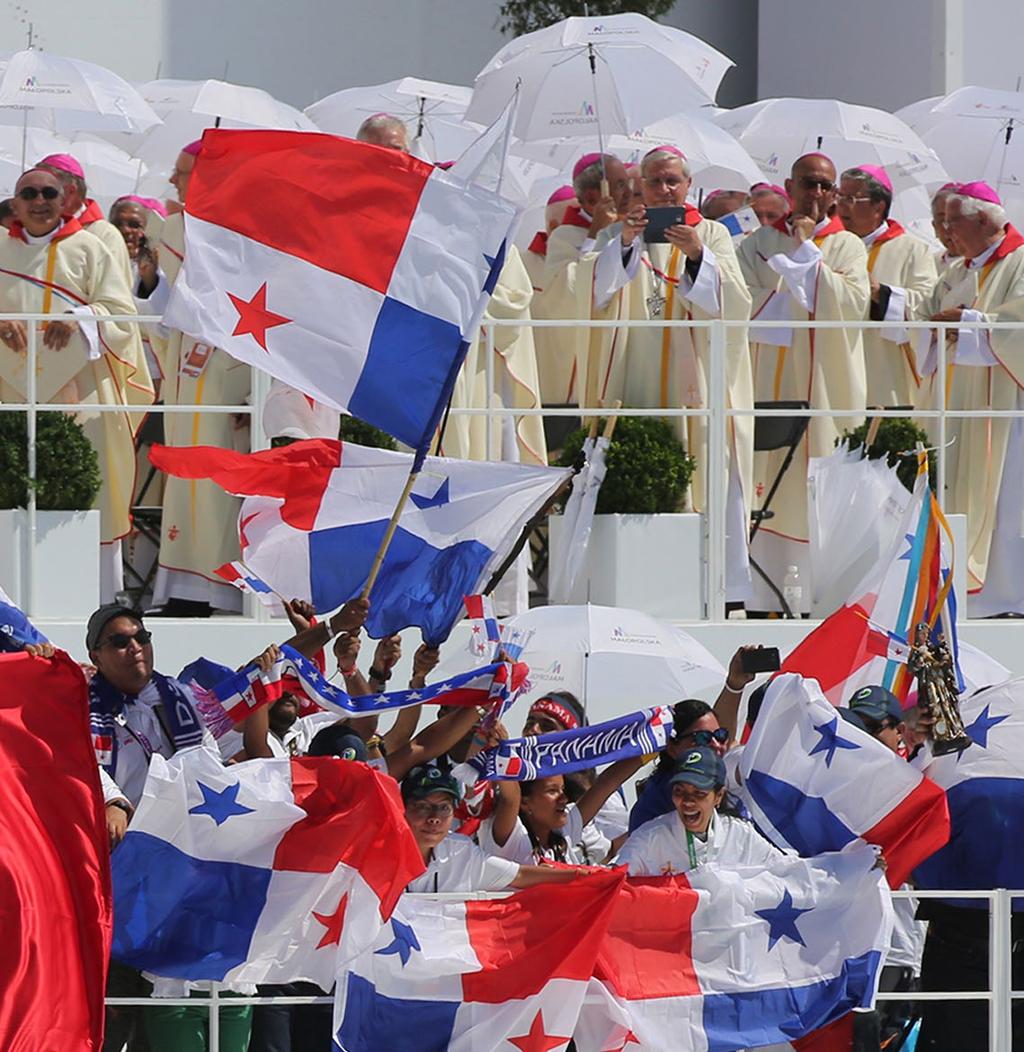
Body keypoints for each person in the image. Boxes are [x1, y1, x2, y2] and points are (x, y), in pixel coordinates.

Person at [594, 144, 755, 605]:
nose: (664, 190)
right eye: (654, 181)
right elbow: (600, 292)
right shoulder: (627, 232)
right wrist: (624, 244)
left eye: (672, 181)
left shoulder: (712, 234)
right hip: (640, 370)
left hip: (699, 378)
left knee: (706, 467)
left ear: (689, 186)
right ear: (639, 186)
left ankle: (712, 588)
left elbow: (735, 303)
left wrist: (698, 256)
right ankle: (646, 580)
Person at [0, 168, 155, 601]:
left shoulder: (90, 247)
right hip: (10, 389)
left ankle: (96, 598)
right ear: (15, 204)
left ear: (65, 199)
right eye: (28, 193)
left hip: (80, 389)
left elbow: (121, 312)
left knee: (92, 487)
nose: (39, 200)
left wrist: (81, 319)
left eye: (49, 192)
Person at [738, 152, 870, 613]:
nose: (815, 194)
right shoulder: (755, 244)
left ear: (834, 195)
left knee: (823, 484)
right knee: (769, 479)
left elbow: (853, 306)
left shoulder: (848, 246)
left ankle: (826, 596)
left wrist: (807, 256)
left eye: (824, 187)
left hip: (828, 388)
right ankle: (760, 597)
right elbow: (740, 302)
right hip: (768, 381)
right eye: (808, 184)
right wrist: (797, 291)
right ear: (789, 188)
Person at [911, 182, 1024, 616]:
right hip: (957, 402)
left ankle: (1007, 596)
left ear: (982, 220)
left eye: (951, 220)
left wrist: (973, 322)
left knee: (1007, 500)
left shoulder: (1018, 261)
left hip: (1005, 406)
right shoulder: (955, 272)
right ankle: (960, 588)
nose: (944, 230)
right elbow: (928, 323)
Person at [150, 140, 251, 616]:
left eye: (182, 172)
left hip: (230, 368)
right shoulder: (173, 229)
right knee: (185, 476)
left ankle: (225, 591)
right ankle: (187, 591)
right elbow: (166, 307)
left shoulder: (249, 232)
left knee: (220, 481)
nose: (173, 181)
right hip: (186, 369)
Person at [533, 152, 640, 407]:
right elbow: (565, 296)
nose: (629, 191)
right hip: (580, 356)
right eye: (620, 184)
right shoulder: (565, 236)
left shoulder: (633, 230)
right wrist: (595, 234)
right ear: (593, 196)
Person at [836, 165, 937, 408]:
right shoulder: (830, 245)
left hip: (887, 370)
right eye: (839, 196)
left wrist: (879, 292)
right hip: (836, 361)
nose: (841, 205)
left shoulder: (913, 249)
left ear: (879, 206)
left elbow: (927, 305)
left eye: (851, 198)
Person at [400, 767, 588, 893]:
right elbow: (509, 799)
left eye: (444, 808)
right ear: (402, 808)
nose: (434, 818)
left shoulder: (461, 852)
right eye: (423, 806)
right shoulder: (376, 852)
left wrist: (590, 877)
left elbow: (520, 875)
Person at [617, 746, 784, 875]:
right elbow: (614, 877)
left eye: (699, 793)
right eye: (679, 791)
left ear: (718, 796)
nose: (688, 802)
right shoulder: (650, 837)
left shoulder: (740, 834)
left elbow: (785, 869)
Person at [480, 751, 644, 866]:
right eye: (552, 791)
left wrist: (653, 746)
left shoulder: (563, 832)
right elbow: (510, 798)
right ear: (524, 802)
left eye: (562, 789)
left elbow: (608, 783)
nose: (563, 799)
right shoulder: (513, 838)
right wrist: (502, 750)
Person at [36, 153, 134, 287]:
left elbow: (115, 296)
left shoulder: (104, 235)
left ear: (71, 191)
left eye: (47, 191)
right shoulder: (33, 229)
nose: (38, 199)